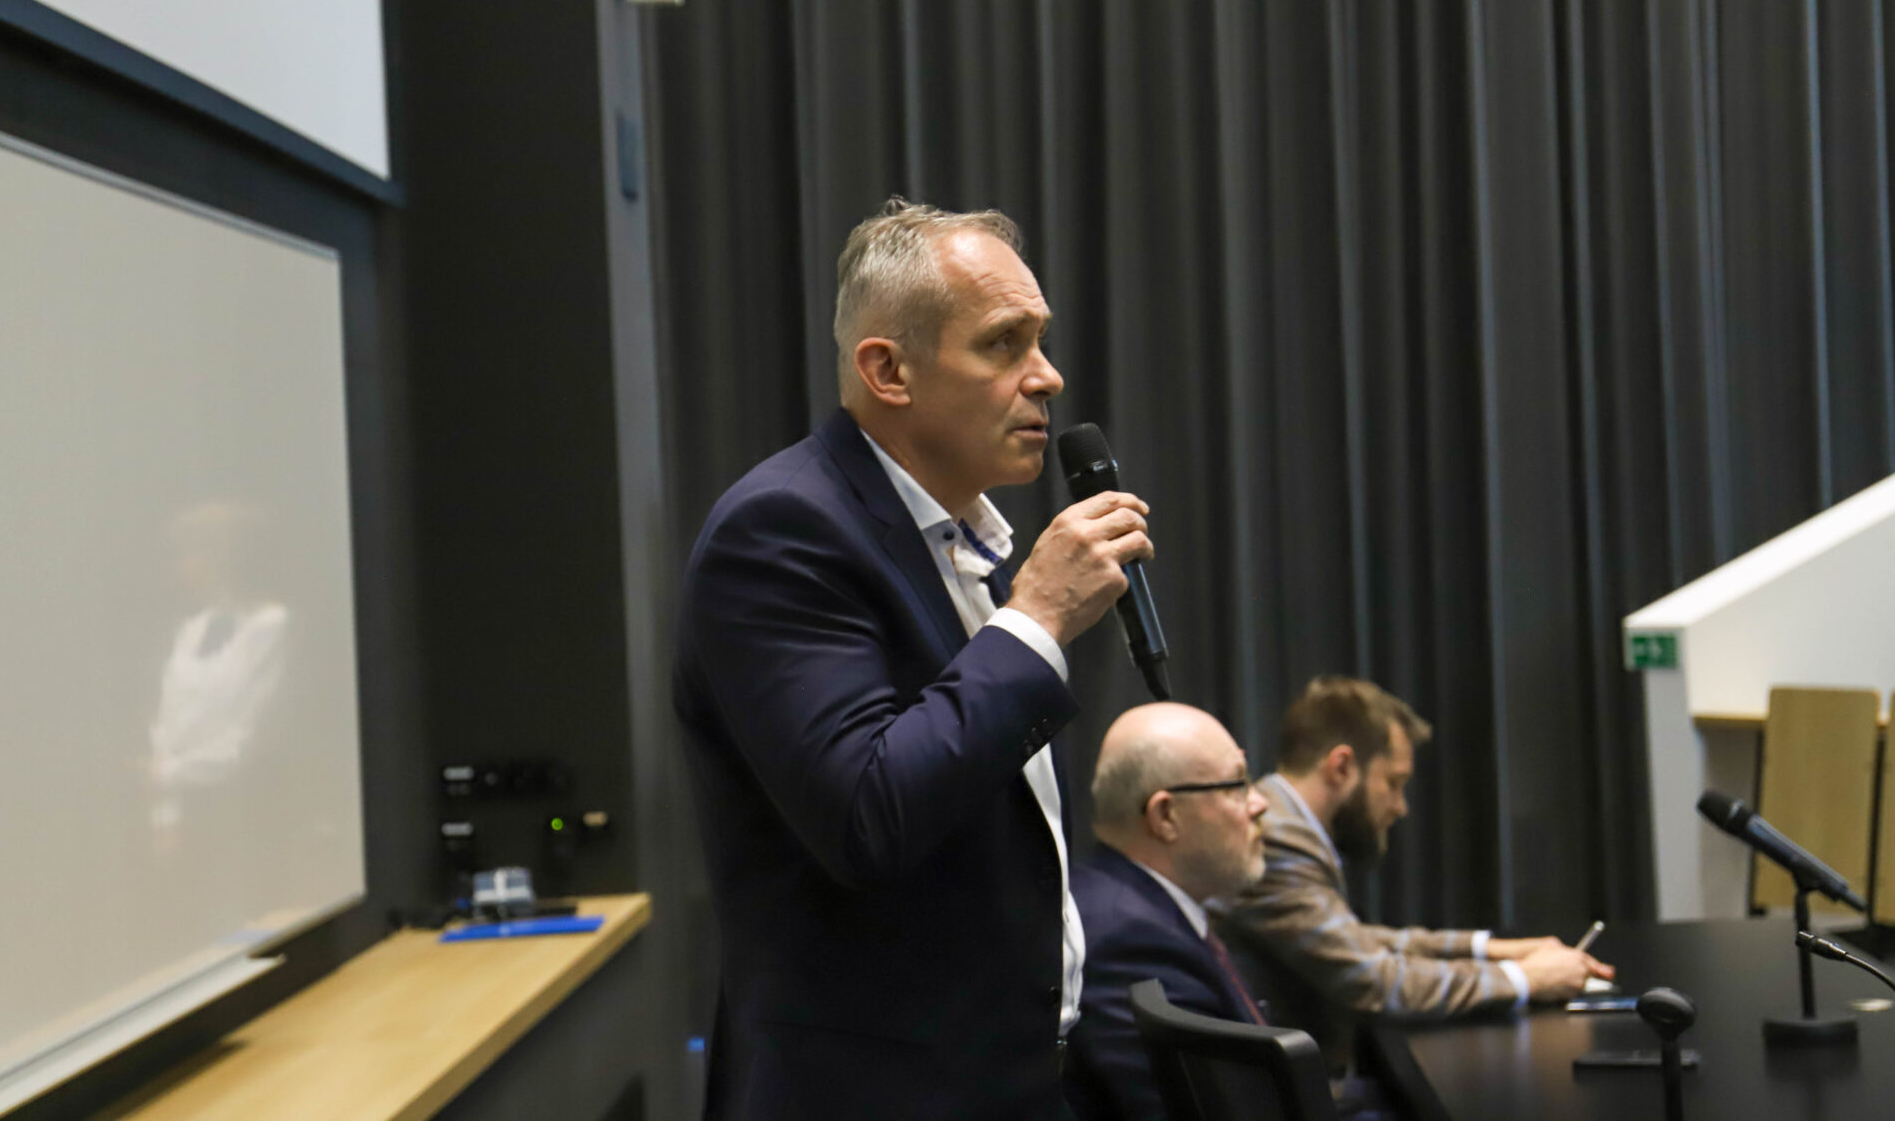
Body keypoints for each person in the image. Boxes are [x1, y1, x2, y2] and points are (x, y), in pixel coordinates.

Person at [674, 200, 1155, 1120]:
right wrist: (1037, 618)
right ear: (887, 370)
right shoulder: (781, 530)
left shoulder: (960, 537)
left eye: (1041, 339)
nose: (1047, 376)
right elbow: (868, 812)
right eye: (1004, 343)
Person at [1219, 677, 1614, 1063]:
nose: (1400, 806)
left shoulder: (1287, 823)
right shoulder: (1277, 836)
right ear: (1341, 767)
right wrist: (1526, 978)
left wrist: (1490, 950)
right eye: (1394, 782)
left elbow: (1351, 939)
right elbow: (1376, 982)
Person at [1062, 703, 1271, 1121]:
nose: (1261, 803)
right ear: (1165, 816)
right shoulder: (1129, 940)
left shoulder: (1135, 905)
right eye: (1238, 784)